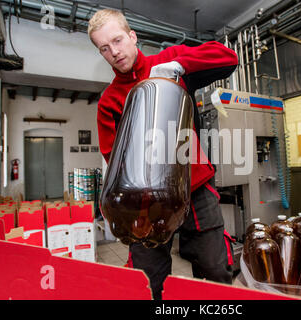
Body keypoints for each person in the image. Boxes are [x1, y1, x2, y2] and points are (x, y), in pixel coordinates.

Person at [88, 9, 238, 300]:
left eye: (118, 40)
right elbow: (113, 159)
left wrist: (180, 66)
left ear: (133, 36)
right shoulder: (109, 102)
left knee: (215, 272)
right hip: (145, 203)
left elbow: (227, 58)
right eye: (104, 48)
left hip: (195, 189)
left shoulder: (168, 62)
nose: (114, 52)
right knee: (147, 281)